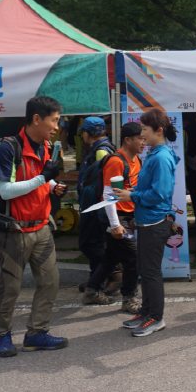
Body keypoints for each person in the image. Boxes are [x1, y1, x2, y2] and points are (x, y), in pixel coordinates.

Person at [0, 96, 68, 357]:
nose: (57, 126)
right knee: (10, 288)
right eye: (54, 121)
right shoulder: (8, 148)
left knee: (50, 282)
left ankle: (37, 333)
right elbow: (5, 191)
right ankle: (1, 336)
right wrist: (43, 178)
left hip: (42, 228)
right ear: (37, 119)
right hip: (14, 231)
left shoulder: (45, 145)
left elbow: (36, 181)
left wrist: (51, 186)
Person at [113, 109, 179, 337]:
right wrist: (133, 192)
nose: (141, 135)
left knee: (150, 272)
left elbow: (160, 194)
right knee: (145, 270)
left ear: (158, 131)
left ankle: (156, 318)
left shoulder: (160, 157)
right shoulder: (154, 154)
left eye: (144, 130)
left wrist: (131, 196)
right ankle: (146, 312)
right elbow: (149, 189)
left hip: (155, 222)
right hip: (146, 220)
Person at [82, 121, 144, 313]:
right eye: (140, 138)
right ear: (128, 139)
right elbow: (108, 195)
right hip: (115, 217)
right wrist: (115, 225)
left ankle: (92, 290)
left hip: (128, 215)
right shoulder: (117, 161)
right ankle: (129, 297)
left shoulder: (136, 159)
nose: (144, 142)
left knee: (112, 255)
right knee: (134, 258)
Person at [76, 116, 118, 291]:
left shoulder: (101, 151)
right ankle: (96, 279)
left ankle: (114, 272)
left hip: (95, 206)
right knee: (94, 243)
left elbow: (105, 181)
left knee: (88, 243)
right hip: (94, 204)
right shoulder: (100, 148)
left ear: (86, 133)